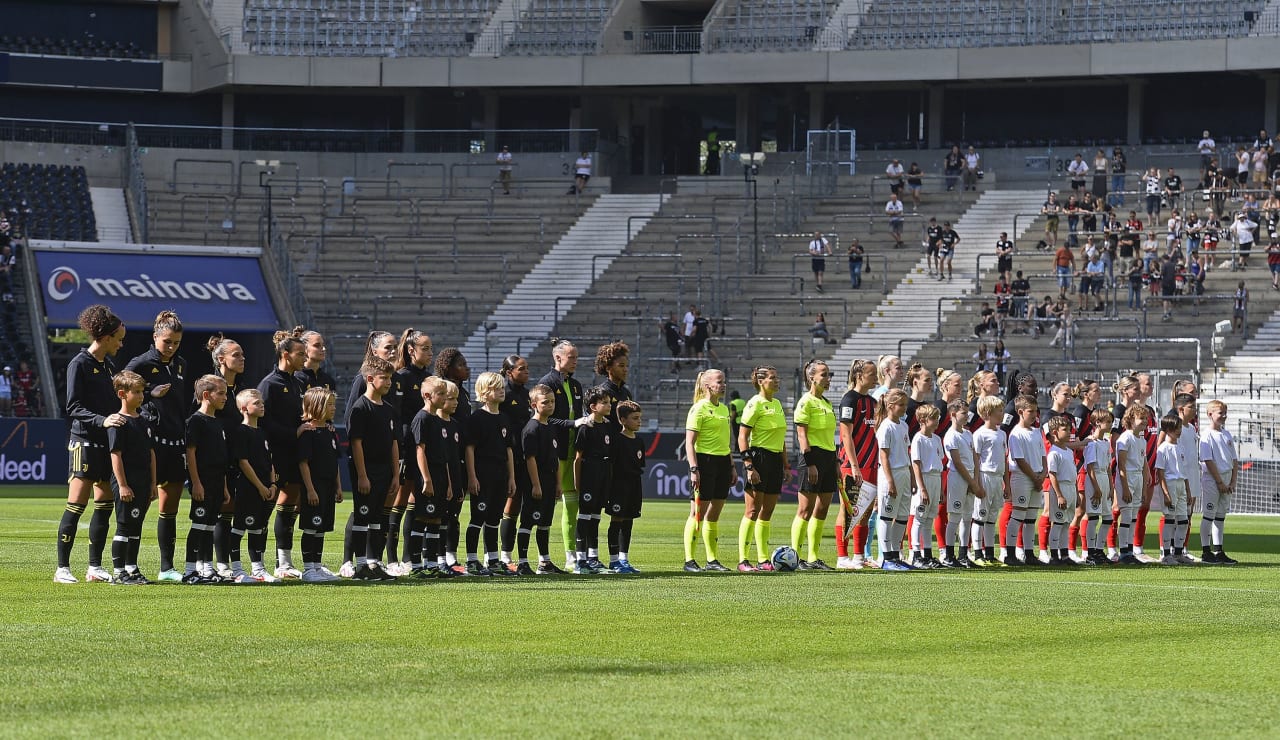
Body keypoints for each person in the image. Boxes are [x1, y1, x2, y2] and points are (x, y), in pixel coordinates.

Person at [54, 305, 127, 585]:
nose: (121, 344)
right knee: (76, 504)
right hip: (84, 441)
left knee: (104, 505)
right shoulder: (80, 363)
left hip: (105, 443)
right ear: (106, 337)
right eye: (118, 339)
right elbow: (73, 406)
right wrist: (102, 420)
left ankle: (94, 567)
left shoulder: (108, 366)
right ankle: (62, 568)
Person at [123, 311, 189, 582]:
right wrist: (149, 393)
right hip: (151, 443)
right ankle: (127, 565)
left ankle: (166, 568)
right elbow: (121, 388)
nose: (171, 347)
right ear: (155, 337)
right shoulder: (140, 363)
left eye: (176, 342)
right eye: (167, 342)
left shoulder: (181, 364)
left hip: (176, 443)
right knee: (140, 505)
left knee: (169, 509)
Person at [258, 331, 308, 579]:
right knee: (266, 507)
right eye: (300, 354)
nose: (305, 357)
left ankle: (284, 563)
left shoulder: (297, 382)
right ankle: (256, 564)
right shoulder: (270, 384)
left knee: (289, 506)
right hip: (275, 454)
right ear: (285, 354)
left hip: (293, 453)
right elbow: (263, 422)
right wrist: (294, 431)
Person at [347, 356, 399, 581]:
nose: (389, 382)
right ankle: (360, 566)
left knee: (378, 518)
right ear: (370, 379)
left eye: (390, 378)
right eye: (384, 378)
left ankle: (373, 562)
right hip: (366, 470)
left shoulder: (388, 409)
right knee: (363, 517)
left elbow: (394, 443)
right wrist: (362, 475)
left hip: (384, 471)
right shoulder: (360, 407)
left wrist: (396, 474)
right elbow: (356, 444)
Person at [682, 369, 736, 572]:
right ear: (707, 386)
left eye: (724, 382)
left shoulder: (723, 409)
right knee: (697, 512)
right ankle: (689, 560)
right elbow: (690, 443)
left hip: (722, 462)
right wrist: (694, 469)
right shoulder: (698, 409)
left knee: (714, 514)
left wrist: (731, 466)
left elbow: (726, 441)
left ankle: (712, 560)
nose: (723, 385)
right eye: (719, 382)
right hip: (704, 462)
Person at [389, 329, 433, 574]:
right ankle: (392, 557)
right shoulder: (401, 377)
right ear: (411, 350)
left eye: (430, 348)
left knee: (416, 501)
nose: (429, 353)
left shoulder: (428, 378)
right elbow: (397, 416)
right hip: (406, 446)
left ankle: (410, 557)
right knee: (400, 500)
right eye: (424, 348)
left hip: (423, 447)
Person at [536, 340, 583, 572]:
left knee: (572, 504)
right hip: (555, 451)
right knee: (548, 505)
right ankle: (539, 557)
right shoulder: (547, 383)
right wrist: (573, 423)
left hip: (574, 450)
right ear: (558, 358)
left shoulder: (575, 385)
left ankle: (571, 555)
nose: (575, 361)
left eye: (576, 357)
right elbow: (544, 418)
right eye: (572, 357)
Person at [464, 371, 517, 577]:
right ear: (484, 393)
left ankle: (493, 560)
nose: (502, 390)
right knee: (478, 517)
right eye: (496, 387)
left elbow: (508, 450)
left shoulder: (504, 418)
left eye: (502, 386)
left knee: (494, 518)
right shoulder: (477, 418)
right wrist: (472, 476)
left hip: (501, 476)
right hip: (482, 476)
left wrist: (511, 477)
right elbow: (470, 449)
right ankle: (471, 560)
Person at [106, 370, 155, 584]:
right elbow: (115, 455)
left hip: (144, 481)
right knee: (125, 525)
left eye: (142, 392)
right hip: (127, 482)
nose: (141, 396)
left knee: (136, 525)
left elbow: (151, 452)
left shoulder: (144, 420)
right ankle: (119, 571)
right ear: (122, 394)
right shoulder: (118, 423)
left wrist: (153, 483)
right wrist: (123, 485)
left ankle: (132, 568)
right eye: (136, 392)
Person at [736, 365, 787, 572]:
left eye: (777, 377)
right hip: (759, 458)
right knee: (752, 510)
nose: (777, 381)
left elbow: (781, 438)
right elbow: (742, 436)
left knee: (767, 512)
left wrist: (785, 464)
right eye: (772, 378)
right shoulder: (754, 404)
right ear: (760, 381)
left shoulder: (777, 404)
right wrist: (749, 466)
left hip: (775, 460)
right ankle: (743, 560)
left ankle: (763, 559)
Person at [182, 374, 231, 584]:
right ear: (205, 395)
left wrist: (225, 487)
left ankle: (206, 568)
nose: (225, 397)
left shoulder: (218, 422)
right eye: (220, 393)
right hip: (203, 481)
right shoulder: (195, 421)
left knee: (210, 525)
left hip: (217, 482)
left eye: (226, 393)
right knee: (199, 525)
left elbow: (222, 459)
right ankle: (189, 570)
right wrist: (196, 482)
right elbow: (190, 453)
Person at [226, 389, 277, 583]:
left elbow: (269, 460)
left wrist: (271, 483)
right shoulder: (241, 432)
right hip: (248, 487)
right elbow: (243, 462)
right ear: (244, 408)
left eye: (262, 402)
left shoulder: (262, 432)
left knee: (258, 527)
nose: (261, 405)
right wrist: (259, 486)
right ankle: (237, 569)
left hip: (265, 487)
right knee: (240, 527)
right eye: (256, 403)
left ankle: (258, 569)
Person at [834, 358, 881, 571]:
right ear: (860, 375)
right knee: (848, 509)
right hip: (852, 465)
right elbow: (846, 435)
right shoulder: (849, 399)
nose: (876, 378)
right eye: (872, 374)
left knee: (865, 511)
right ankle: (842, 556)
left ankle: (859, 556)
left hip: (871, 465)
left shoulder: (872, 402)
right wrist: (853, 465)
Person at [791, 361, 837, 570]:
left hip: (828, 456)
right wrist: (810, 464)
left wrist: (835, 462)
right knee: (805, 509)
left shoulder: (826, 403)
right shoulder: (805, 402)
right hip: (812, 457)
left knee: (823, 508)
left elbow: (829, 436)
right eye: (824, 374)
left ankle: (813, 557)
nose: (828, 378)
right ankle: (795, 557)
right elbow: (802, 435)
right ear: (812, 378)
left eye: (829, 374)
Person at [297, 387, 343, 582]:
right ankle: (308, 569)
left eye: (333, 404)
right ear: (316, 406)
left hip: (328, 486)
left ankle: (317, 566)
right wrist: (309, 489)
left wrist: (338, 486)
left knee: (322, 527)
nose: (333, 408)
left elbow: (335, 462)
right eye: (329, 404)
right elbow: (303, 463)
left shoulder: (331, 432)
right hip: (314, 487)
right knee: (311, 526)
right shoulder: (309, 432)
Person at [518, 384, 563, 575]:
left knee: (545, 522)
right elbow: (530, 459)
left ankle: (544, 563)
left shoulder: (551, 426)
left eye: (552, 401)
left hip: (550, 480)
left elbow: (556, 458)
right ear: (534, 404)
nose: (550, 405)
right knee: (528, 521)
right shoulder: (531, 428)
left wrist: (558, 483)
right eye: (546, 402)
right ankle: (522, 563)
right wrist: (536, 485)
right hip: (535, 481)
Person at [570, 385, 613, 574]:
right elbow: (578, 458)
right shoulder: (586, 428)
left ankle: (593, 557)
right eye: (604, 403)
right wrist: (578, 482)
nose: (609, 405)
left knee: (596, 516)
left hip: (603, 472)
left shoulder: (608, 425)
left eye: (609, 402)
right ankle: (580, 560)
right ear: (593, 407)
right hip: (590, 472)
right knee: (584, 517)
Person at [874, 388, 912, 570]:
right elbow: (884, 456)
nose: (905, 408)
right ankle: (886, 557)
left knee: (903, 515)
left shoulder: (903, 426)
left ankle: (896, 555)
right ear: (890, 406)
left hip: (904, 472)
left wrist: (911, 477)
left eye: (905, 405)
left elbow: (906, 452)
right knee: (887, 516)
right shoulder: (885, 427)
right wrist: (890, 481)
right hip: (892, 474)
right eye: (901, 405)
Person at [1006, 394, 1046, 566]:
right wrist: (1035, 478)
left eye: (1036, 411)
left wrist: (1043, 474)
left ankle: (1029, 553)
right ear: (1021, 412)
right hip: (1023, 478)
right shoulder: (1016, 434)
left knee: (1031, 517)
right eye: (1031, 411)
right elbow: (1020, 460)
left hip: (1037, 477)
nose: (1035, 415)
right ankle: (1010, 553)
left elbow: (1044, 455)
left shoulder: (1036, 432)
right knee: (1018, 515)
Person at [941, 399, 980, 568]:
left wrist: (976, 480)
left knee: (967, 517)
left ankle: (964, 554)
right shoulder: (951, 436)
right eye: (963, 413)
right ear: (953, 415)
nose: (967, 416)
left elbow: (974, 458)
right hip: (958, 478)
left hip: (971, 478)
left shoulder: (968, 433)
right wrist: (972, 482)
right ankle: (949, 555)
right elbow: (957, 462)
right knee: (955, 517)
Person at [1199, 400, 1238, 564]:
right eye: (1220, 413)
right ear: (1210, 415)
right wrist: (1220, 482)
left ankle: (1219, 550)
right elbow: (1208, 460)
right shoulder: (1206, 435)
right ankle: (1205, 551)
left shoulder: (1226, 434)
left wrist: (1232, 481)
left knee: (1220, 516)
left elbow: (1234, 459)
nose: (1224, 416)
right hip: (1213, 480)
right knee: (1208, 515)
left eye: (1225, 413)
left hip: (1227, 479)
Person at [608, 400, 645, 574]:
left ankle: (624, 558)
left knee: (628, 521)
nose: (639, 421)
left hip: (634, 486)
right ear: (622, 420)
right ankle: (613, 560)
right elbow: (612, 466)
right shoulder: (617, 440)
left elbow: (639, 465)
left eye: (640, 418)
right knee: (617, 520)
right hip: (619, 486)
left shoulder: (639, 442)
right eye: (635, 418)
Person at [969, 395, 1007, 566]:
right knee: (980, 516)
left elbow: (1004, 460)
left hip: (998, 478)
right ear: (987, 413)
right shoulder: (979, 434)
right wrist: (976, 483)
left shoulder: (1002, 434)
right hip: (985, 476)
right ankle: (978, 554)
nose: (1002, 414)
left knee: (992, 516)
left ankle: (990, 554)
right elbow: (975, 459)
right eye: (999, 411)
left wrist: (1006, 482)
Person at [908, 404, 943, 568]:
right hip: (925, 479)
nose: (937, 421)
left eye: (938, 418)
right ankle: (916, 554)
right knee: (919, 518)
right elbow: (916, 464)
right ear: (922, 420)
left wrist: (941, 488)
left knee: (929, 519)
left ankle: (927, 553)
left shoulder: (936, 439)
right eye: (933, 418)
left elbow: (939, 463)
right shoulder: (918, 439)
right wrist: (922, 488)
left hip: (935, 479)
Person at [1079, 409, 1114, 566]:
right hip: (1095, 480)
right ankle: (1090, 552)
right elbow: (1091, 468)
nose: (1111, 424)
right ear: (1098, 423)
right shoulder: (1091, 442)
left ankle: (1100, 550)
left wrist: (1111, 486)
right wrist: (1097, 488)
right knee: (1093, 517)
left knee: (1108, 517)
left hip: (1105, 479)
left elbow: (1108, 467)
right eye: (1108, 421)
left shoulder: (1106, 442)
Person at [1043, 415, 1078, 566]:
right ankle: (1054, 556)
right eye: (1065, 429)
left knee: (1066, 523)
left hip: (1070, 487)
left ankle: (1065, 555)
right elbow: (1052, 475)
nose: (1069, 432)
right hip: (1061, 489)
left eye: (1069, 429)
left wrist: (1076, 492)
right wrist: (1059, 495)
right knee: (1057, 523)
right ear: (1055, 432)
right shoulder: (1054, 452)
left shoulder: (1069, 451)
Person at [1153, 415, 1188, 566]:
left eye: (1180, 428)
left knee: (1183, 521)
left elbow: (1183, 469)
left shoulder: (1180, 447)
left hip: (1181, 484)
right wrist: (1166, 493)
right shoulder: (1163, 449)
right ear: (1167, 430)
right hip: (1170, 484)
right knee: (1169, 519)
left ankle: (1178, 553)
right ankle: (1166, 554)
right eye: (1176, 428)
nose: (1179, 431)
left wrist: (1188, 488)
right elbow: (1160, 472)